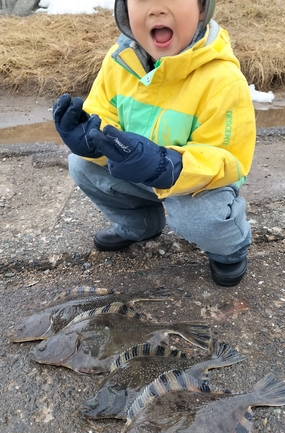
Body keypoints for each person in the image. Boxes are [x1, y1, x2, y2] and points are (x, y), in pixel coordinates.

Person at [53, 0, 256, 287]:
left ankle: (231, 246)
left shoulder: (222, 80)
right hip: (135, 171)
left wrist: (167, 165)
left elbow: (228, 159)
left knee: (201, 219)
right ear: (124, 10)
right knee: (81, 163)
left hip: (195, 183)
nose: (156, 9)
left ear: (202, 9)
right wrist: (90, 139)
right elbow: (103, 112)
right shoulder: (119, 59)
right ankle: (141, 226)